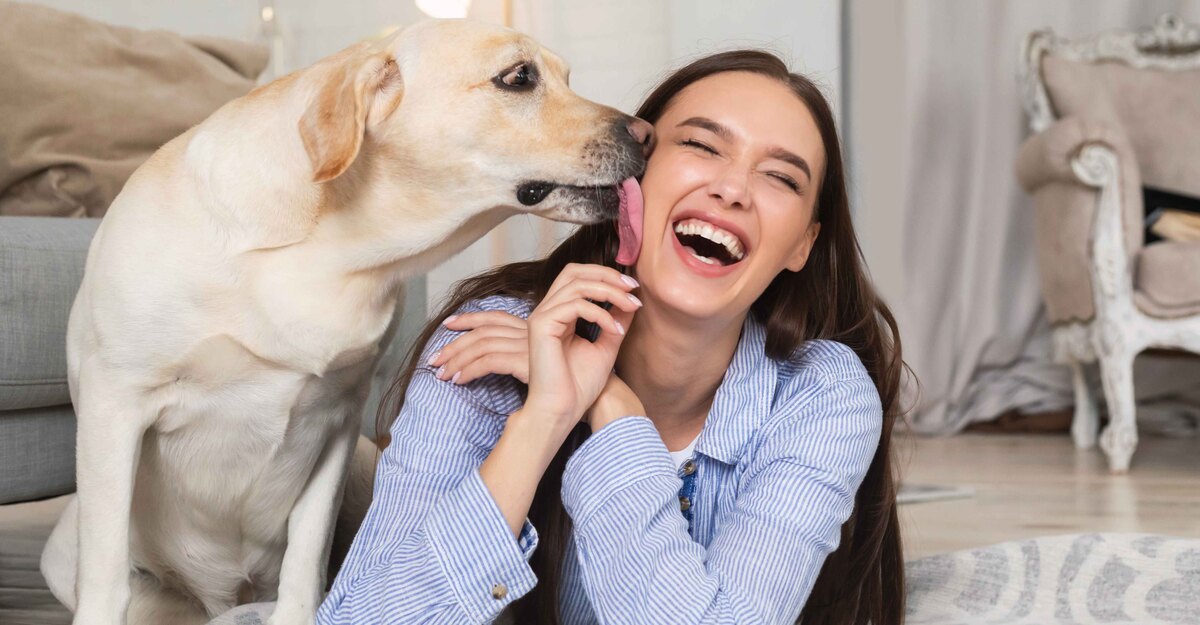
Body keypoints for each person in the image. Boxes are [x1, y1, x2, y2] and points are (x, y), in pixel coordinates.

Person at [317, 49, 908, 625]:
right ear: (630, 179)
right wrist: (543, 417)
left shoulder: (822, 393)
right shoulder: (487, 343)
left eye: (780, 177)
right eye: (702, 146)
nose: (732, 189)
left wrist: (611, 406)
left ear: (802, 244)